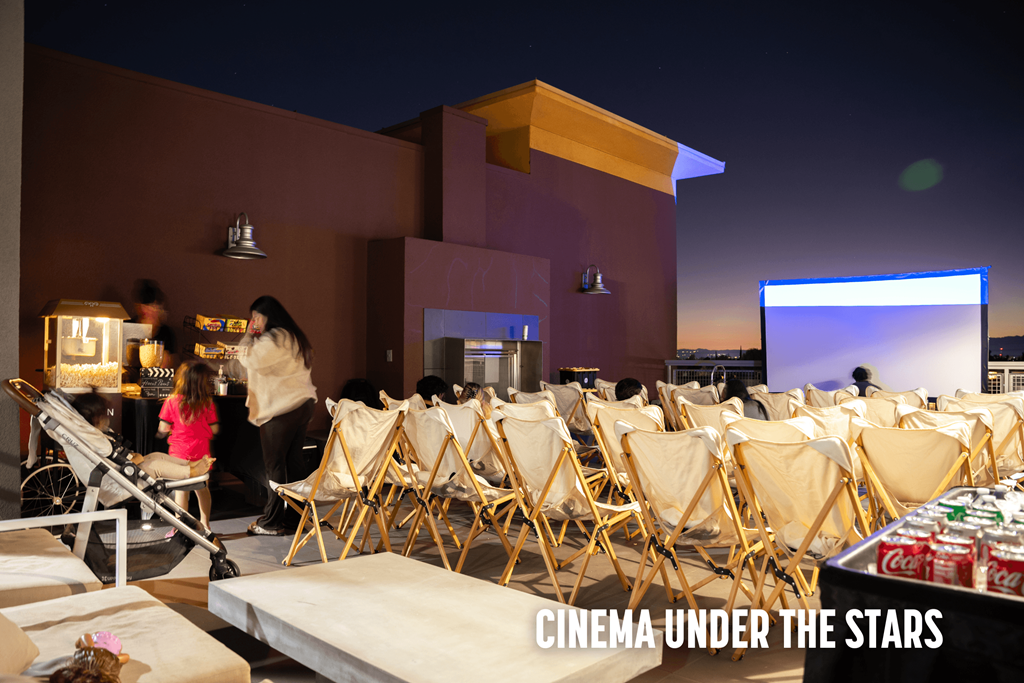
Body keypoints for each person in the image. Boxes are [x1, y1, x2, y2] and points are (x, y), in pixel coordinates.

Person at [239, 295, 317, 536]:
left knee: (275, 465)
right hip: (302, 404)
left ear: (268, 316)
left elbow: (249, 359)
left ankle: (272, 522)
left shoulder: (273, 339)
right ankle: (296, 519)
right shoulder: (292, 336)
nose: (254, 322)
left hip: (281, 408)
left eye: (256, 317)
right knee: (294, 464)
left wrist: (247, 335)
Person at [73, 391, 214, 482]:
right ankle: (192, 471)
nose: (107, 417)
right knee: (156, 465)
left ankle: (188, 464)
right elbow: (122, 461)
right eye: (104, 415)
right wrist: (136, 457)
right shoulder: (99, 441)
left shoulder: (96, 436)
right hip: (125, 474)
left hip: (126, 467)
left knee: (156, 455)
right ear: (95, 418)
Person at [157, 361, 219, 529]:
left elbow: (163, 428)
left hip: (179, 453)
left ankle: (180, 528)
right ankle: (205, 525)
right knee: (202, 489)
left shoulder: (171, 401)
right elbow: (215, 428)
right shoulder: (207, 402)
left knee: (181, 492)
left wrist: (165, 432)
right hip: (201, 452)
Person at [131, 279, 178, 369]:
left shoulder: (166, 333)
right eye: (146, 306)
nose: (150, 311)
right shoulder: (129, 327)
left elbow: (173, 364)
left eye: (154, 306)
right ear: (139, 307)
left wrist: (168, 361)